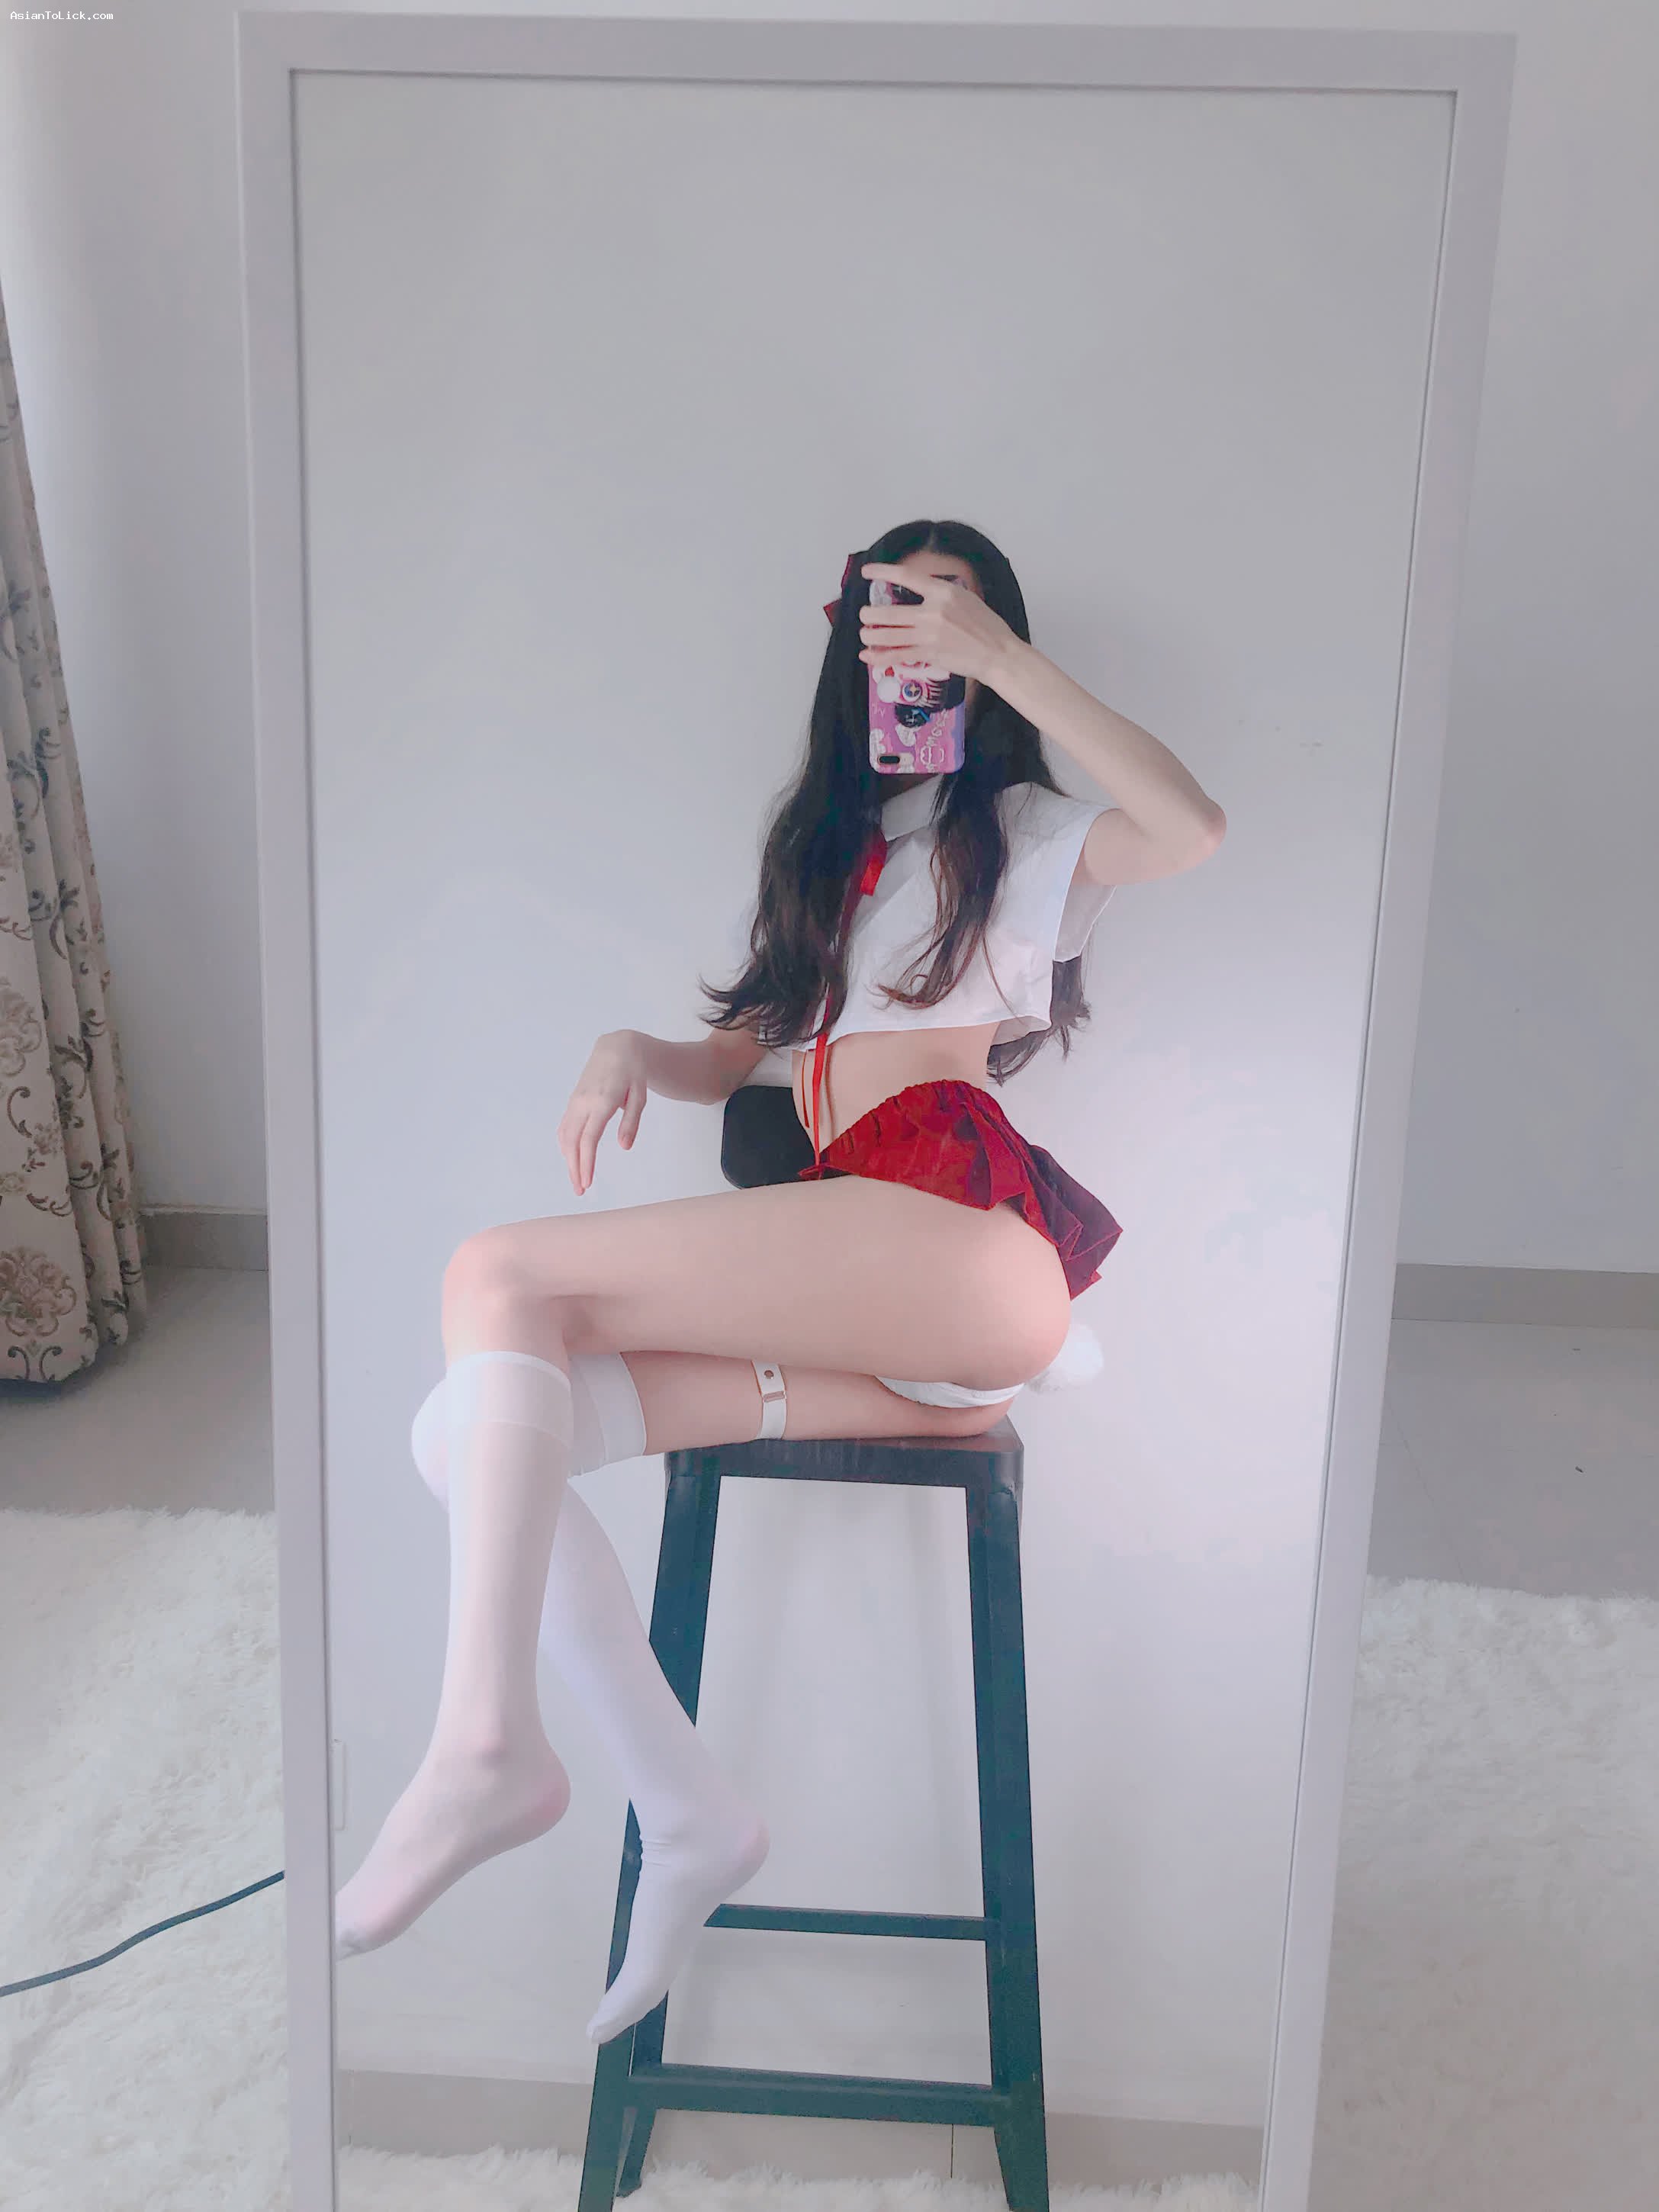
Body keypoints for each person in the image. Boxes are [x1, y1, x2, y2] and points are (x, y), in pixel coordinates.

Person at [332, 517, 1226, 2045]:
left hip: (960, 1246)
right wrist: (631, 1048)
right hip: (883, 1315)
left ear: (988, 641)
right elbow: (744, 1048)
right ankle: (688, 1809)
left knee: (500, 1274)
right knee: (459, 1432)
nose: (917, 640)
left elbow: (1190, 826)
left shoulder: (1022, 831)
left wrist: (998, 659)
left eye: (947, 614)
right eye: (893, 613)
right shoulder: (826, 850)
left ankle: (485, 1747)